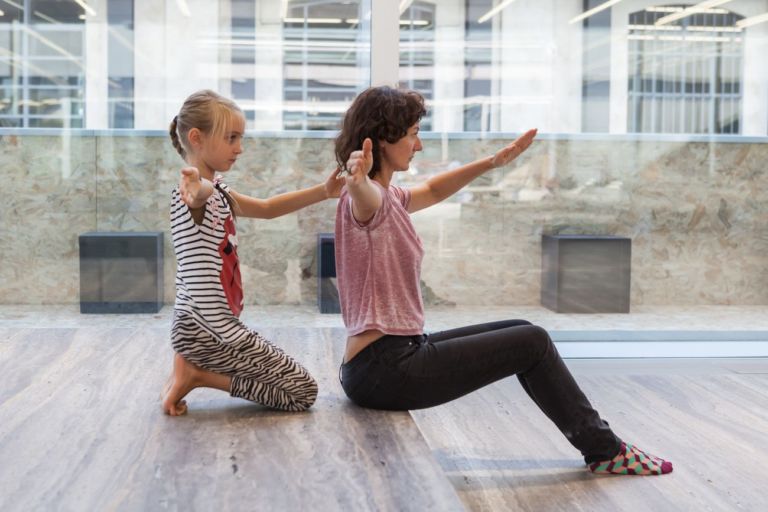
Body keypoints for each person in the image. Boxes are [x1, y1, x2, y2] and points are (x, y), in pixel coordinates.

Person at [333, 86, 672, 476]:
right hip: (386, 370)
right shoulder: (367, 197)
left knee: (523, 330)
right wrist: (355, 179)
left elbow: (432, 189)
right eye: (412, 133)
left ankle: (603, 448)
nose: (419, 144)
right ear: (384, 137)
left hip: (381, 361)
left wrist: (493, 162)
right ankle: (605, 450)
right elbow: (361, 196)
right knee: (534, 342)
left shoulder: (389, 196)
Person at [162, 89, 342, 416]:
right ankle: (196, 374)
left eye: (240, 138)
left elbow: (269, 208)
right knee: (302, 392)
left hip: (202, 327)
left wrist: (325, 191)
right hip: (209, 331)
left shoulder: (219, 191)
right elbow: (198, 194)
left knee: (291, 387)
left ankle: (189, 365)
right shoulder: (193, 194)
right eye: (231, 138)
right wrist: (197, 186)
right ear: (196, 138)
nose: (239, 148)